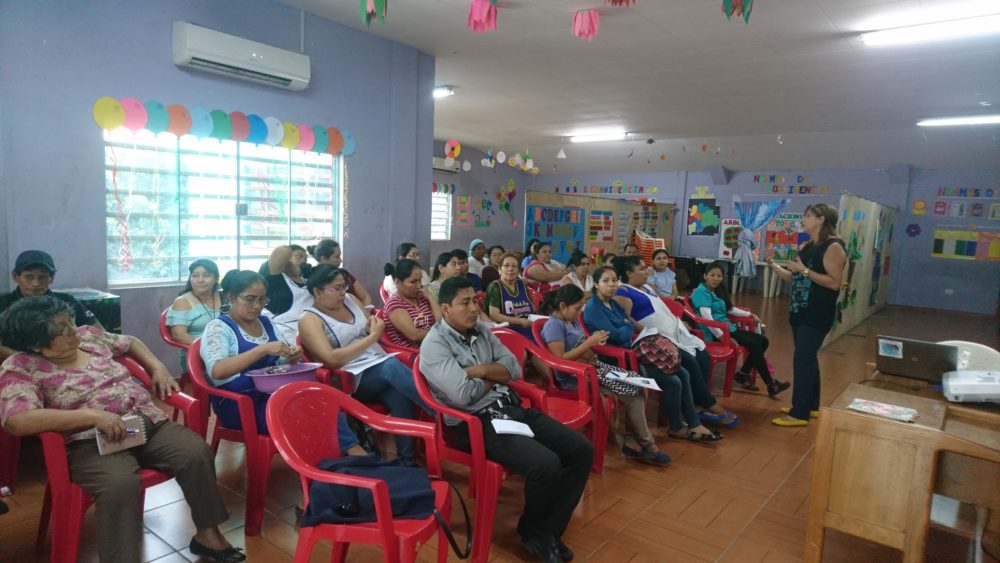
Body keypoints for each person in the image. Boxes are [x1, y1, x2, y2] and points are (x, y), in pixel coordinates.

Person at [0, 296, 246, 562]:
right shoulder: (21, 367)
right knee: (119, 485)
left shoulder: (89, 336)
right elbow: (17, 420)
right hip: (90, 442)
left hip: (144, 423)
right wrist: (92, 416)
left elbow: (131, 342)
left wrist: (158, 367)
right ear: (37, 344)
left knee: (196, 452)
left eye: (69, 321)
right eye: (62, 329)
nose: (73, 329)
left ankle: (207, 535)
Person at [419, 277, 594, 563]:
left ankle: (545, 529)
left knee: (580, 450)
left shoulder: (481, 331)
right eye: (465, 303)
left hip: (510, 409)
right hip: (475, 424)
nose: (474, 308)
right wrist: (494, 374)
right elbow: (464, 395)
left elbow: (513, 368)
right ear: (446, 308)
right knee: (546, 464)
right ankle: (535, 533)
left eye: (474, 301)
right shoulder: (435, 345)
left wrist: (481, 371)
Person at [298, 265, 431, 463]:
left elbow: (371, 324)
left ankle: (406, 460)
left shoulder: (350, 300)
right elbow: (330, 359)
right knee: (391, 367)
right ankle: (443, 412)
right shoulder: (309, 319)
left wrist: (372, 327)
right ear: (317, 291)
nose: (343, 292)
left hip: (377, 363)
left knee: (399, 395)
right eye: (337, 288)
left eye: (344, 286)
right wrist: (371, 338)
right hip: (350, 379)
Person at [584, 266, 725, 441]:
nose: (612, 285)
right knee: (673, 381)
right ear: (596, 284)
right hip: (615, 363)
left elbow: (627, 326)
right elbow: (618, 334)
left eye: (614, 280)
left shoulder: (612, 303)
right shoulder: (593, 308)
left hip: (632, 353)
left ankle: (693, 423)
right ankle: (677, 427)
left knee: (683, 372)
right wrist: (626, 326)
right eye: (606, 281)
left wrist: (626, 327)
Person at [539, 285, 670, 466]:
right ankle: (646, 444)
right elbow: (559, 360)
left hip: (595, 368)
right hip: (577, 378)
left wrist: (594, 340)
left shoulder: (571, 320)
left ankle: (632, 437)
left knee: (640, 385)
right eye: (577, 308)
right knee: (632, 394)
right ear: (562, 306)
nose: (579, 312)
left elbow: (581, 345)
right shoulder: (553, 326)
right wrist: (588, 344)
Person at [609, 256, 739, 426]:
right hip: (654, 339)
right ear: (628, 273)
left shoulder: (646, 287)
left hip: (672, 332)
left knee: (703, 355)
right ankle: (708, 403)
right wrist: (649, 331)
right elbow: (627, 321)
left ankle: (698, 405)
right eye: (641, 269)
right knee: (690, 361)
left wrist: (680, 323)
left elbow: (662, 308)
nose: (647, 271)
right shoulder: (623, 292)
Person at [767, 203, 846, 427]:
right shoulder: (808, 246)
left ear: (821, 220)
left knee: (803, 359)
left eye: (808, 215)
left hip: (817, 312)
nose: (804, 219)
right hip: (800, 310)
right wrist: (774, 265)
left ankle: (799, 413)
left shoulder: (833, 247)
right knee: (808, 358)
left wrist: (804, 270)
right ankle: (811, 406)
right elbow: (794, 278)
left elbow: (835, 283)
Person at [199, 270, 303, 434]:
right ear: (230, 297)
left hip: (272, 393)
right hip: (240, 403)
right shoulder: (218, 328)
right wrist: (262, 349)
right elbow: (217, 371)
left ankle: (340, 448)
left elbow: (280, 361)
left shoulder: (266, 322)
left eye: (262, 299)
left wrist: (291, 356)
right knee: (304, 414)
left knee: (320, 401)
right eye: (249, 299)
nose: (257, 305)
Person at [691, 261, 789, 398]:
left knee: (763, 341)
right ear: (705, 276)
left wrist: (749, 314)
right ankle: (771, 384)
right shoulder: (702, 291)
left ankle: (743, 374)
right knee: (755, 345)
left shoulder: (717, 290)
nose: (715, 278)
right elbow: (707, 318)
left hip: (727, 328)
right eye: (712, 275)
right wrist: (721, 337)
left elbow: (730, 309)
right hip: (715, 332)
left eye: (719, 276)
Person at [0, 250, 99, 361]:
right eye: (29, 277)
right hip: (15, 365)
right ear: (15, 276)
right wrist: (30, 361)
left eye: (42, 277)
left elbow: (98, 332)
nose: (36, 283)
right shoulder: (3, 304)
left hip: (67, 363)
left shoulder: (67, 301)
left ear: (52, 277)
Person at [166, 259, 222, 370]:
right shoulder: (182, 302)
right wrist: (210, 351)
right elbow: (179, 335)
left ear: (216, 278)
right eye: (195, 276)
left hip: (228, 350)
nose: (200, 280)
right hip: (197, 355)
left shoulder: (224, 297)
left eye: (206, 275)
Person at [383, 259, 441, 349]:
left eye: (420, 280)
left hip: (433, 346)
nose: (419, 285)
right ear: (397, 282)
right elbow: (414, 335)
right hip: (412, 353)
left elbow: (441, 322)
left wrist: (430, 297)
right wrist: (441, 334)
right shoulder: (394, 304)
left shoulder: (423, 297)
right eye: (413, 282)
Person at [262, 245, 312, 344]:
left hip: (309, 330)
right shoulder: (276, 278)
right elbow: (283, 250)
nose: (303, 261)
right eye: (299, 256)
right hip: (283, 334)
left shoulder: (308, 281)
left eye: (305, 259)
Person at [485, 252, 537, 340]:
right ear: (499, 269)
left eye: (514, 266)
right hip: (507, 331)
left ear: (518, 271)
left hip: (528, 327)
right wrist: (519, 321)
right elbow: (494, 315)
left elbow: (531, 308)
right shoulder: (495, 287)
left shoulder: (522, 284)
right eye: (506, 265)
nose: (510, 269)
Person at [307, 239, 373, 307]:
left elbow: (365, 296)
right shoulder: (315, 281)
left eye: (344, 287)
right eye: (337, 257)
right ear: (323, 259)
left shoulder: (344, 274)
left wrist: (364, 310)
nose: (341, 260)